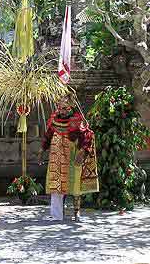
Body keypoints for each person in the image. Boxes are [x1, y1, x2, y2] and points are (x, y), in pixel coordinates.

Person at [39, 94, 99, 222]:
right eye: (60, 108)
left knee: (75, 186)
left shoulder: (77, 120)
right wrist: (42, 149)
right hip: (56, 158)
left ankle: (77, 212)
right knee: (56, 185)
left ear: (71, 108)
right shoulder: (54, 119)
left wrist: (82, 151)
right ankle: (57, 214)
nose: (62, 111)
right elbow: (48, 136)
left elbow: (87, 136)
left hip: (72, 157)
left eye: (65, 108)